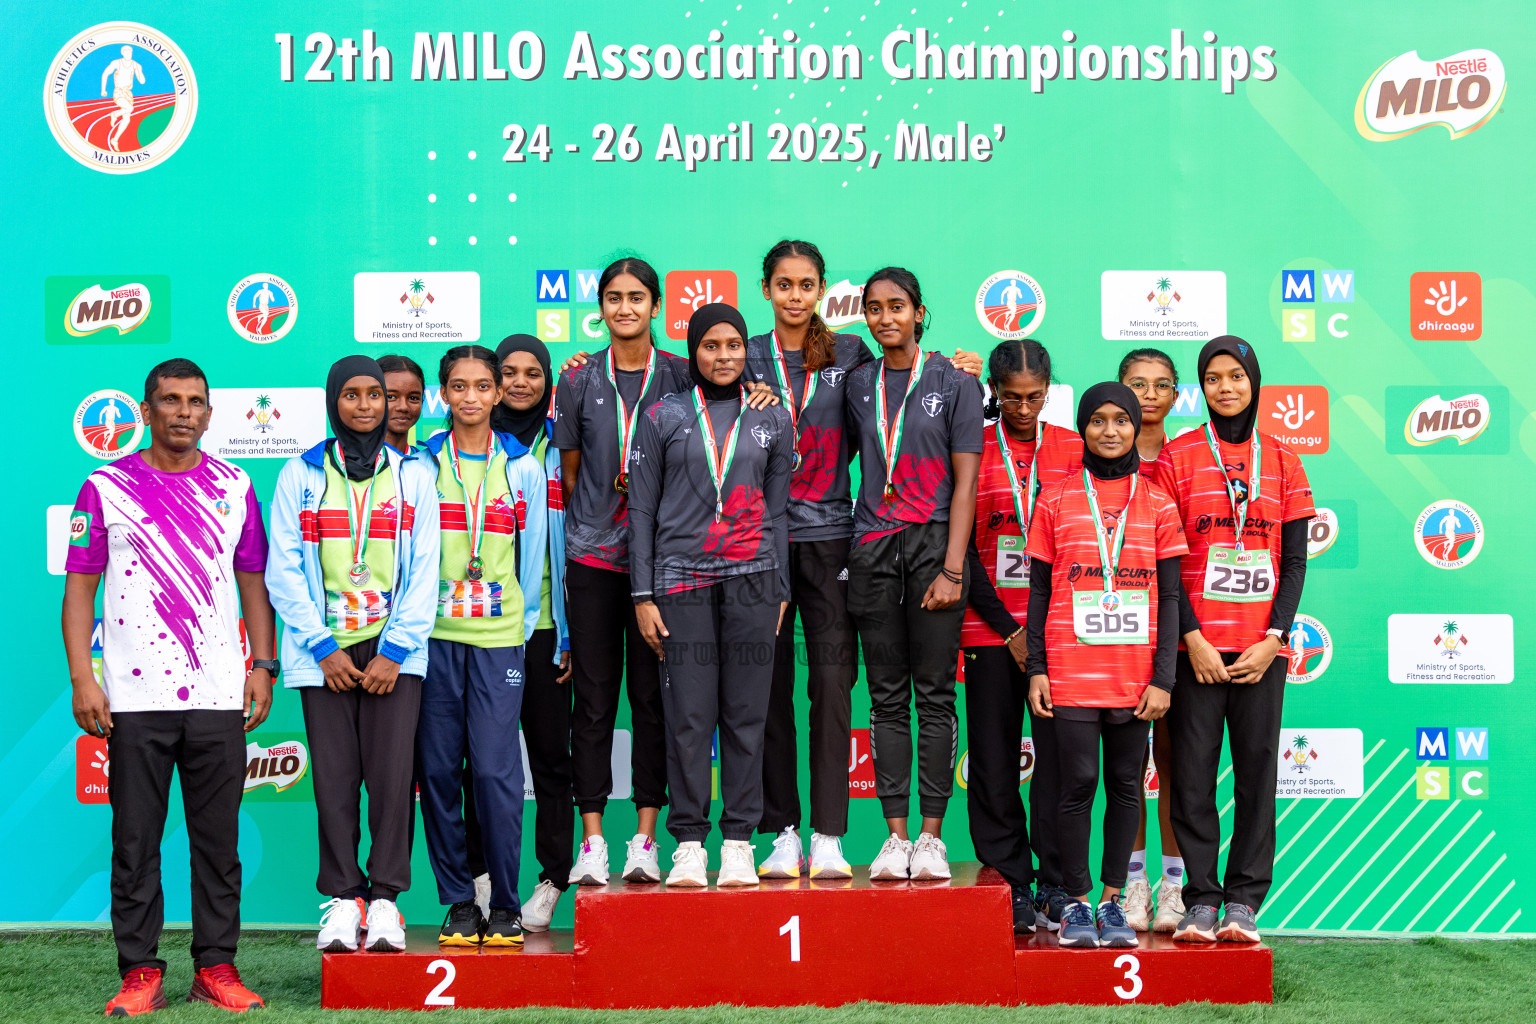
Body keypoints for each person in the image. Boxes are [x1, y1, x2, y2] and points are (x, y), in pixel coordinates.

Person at [62, 358, 276, 1014]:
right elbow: (79, 589)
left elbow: (253, 585)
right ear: (146, 410)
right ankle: (140, 971)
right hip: (131, 698)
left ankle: (216, 967)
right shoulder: (105, 486)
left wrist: (261, 665)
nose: (184, 412)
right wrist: (83, 678)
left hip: (216, 695)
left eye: (195, 402)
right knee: (135, 842)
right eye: (170, 401)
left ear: (209, 414)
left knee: (219, 843)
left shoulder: (236, 484)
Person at [266, 356, 441, 954]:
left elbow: (426, 568)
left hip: (395, 650)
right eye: (352, 395)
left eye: (376, 395)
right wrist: (320, 646)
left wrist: (394, 649)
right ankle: (344, 900)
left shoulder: (414, 474)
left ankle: (387, 901)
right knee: (336, 781)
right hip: (326, 652)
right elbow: (282, 570)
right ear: (332, 401)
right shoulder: (301, 474)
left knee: (393, 782)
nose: (367, 406)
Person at [630, 303, 794, 885]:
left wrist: (781, 585)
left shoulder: (772, 418)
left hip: (753, 578)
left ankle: (742, 842)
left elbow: (778, 510)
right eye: (710, 346)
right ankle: (691, 842)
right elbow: (643, 508)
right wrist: (642, 594)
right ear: (693, 351)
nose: (723, 356)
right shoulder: (663, 415)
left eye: (733, 345)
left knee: (748, 715)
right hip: (679, 581)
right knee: (689, 717)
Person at [1156, 337, 1313, 944]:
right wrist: (1190, 637)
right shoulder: (1178, 455)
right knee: (1192, 778)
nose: (1225, 387)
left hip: (1259, 653)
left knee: (1256, 777)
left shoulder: (1283, 458)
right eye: (1213, 378)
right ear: (1202, 387)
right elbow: (1168, 560)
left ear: (1253, 382)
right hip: (1195, 650)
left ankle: (1243, 902)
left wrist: (1275, 638)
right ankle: (1200, 899)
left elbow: (1295, 562)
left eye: (1236, 377)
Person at [1024, 383, 1187, 949]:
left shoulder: (1160, 502)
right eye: (1098, 420)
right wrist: (1037, 668)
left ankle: (1114, 903)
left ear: (1135, 424)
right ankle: (1071, 901)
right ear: (1083, 427)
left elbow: (1170, 596)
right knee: (1074, 785)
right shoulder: (1055, 497)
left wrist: (1164, 676)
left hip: (1134, 674)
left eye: (1122, 419)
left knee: (1124, 786)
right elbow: (1039, 593)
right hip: (1069, 671)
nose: (1111, 430)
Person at [552, 257, 690, 886]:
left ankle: (645, 840)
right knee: (594, 700)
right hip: (593, 556)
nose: (625, 308)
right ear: (601, 307)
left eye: (637, 297)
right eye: (613, 297)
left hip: (664, 562)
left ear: (656, 305)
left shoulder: (684, 376)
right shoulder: (578, 379)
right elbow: (574, 471)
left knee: (653, 700)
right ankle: (593, 842)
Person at [844, 267, 982, 882]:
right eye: (873, 309)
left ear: (919, 312)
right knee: (886, 699)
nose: (884, 318)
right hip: (872, 550)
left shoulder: (953, 382)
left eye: (896, 306)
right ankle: (895, 836)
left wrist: (953, 567)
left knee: (933, 696)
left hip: (934, 552)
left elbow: (967, 480)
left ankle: (932, 836)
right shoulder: (855, 383)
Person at [416, 345, 548, 948]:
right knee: (440, 773)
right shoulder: (419, 466)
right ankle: (460, 902)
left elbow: (533, 554)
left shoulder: (521, 465)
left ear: (498, 394)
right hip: (434, 641)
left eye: (482, 386)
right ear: (443, 395)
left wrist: (518, 632)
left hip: (499, 642)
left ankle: (507, 904)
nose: (471, 397)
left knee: (496, 774)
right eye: (458, 387)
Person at [961, 339, 1082, 933]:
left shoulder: (1076, 448)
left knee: (1059, 763)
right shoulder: (973, 447)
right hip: (988, 629)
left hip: (1061, 633)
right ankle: (1008, 882)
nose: (1024, 408)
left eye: (1035, 397)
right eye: (1011, 397)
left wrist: (1041, 629)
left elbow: (1091, 543)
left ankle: (1058, 884)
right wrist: (1010, 630)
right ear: (993, 390)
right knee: (991, 759)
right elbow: (960, 548)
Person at [478, 333, 573, 931]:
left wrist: (568, 628)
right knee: (480, 761)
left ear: (547, 381)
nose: (519, 383)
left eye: (532, 372)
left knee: (548, 758)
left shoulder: (565, 440)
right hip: (480, 626)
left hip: (544, 623)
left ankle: (553, 876)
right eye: (507, 372)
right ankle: (482, 877)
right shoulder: (462, 446)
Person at [1116, 348, 1188, 933]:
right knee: (1127, 765)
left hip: (1177, 631)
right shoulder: (1096, 455)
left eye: (1162, 385)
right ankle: (1132, 882)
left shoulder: (1189, 458)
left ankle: (1174, 885)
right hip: (1113, 633)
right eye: (1136, 384)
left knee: (1175, 763)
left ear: (1177, 395)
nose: (1149, 394)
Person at [379, 354, 427, 453]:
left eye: (413, 398)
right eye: (391, 397)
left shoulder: (428, 465)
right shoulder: (346, 464)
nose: (403, 407)